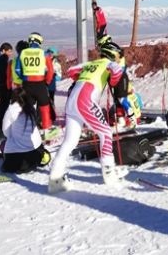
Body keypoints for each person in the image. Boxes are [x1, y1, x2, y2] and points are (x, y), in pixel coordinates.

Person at [48, 41, 126, 193]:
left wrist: (85, 75)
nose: (119, 59)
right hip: (85, 100)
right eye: (119, 56)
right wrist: (112, 76)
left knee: (70, 141)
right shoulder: (109, 64)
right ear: (112, 54)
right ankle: (109, 173)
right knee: (106, 133)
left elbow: (71, 71)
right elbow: (117, 73)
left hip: (72, 100)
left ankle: (55, 178)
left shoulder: (91, 64)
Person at [14, 32, 58, 140]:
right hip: (40, 84)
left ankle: (28, 131)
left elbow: (17, 70)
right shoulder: (44, 54)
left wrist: (25, 78)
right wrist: (47, 82)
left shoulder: (22, 53)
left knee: (28, 108)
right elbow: (51, 71)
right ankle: (46, 131)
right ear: (39, 41)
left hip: (27, 84)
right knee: (44, 107)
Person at [1, 88, 52, 173]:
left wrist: (12, 136)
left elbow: (5, 131)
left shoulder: (11, 110)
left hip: (18, 161)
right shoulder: (31, 108)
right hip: (34, 156)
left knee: (3, 145)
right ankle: (43, 156)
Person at [45, 46, 62, 123]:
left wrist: (54, 74)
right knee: (44, 101)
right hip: (43, 84)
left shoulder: (57, 64)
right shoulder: (44, 61)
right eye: (48, 52)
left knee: (51, 100)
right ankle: (45, 117)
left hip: (51, 85)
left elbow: (59, 76)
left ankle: (52, 117)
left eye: (51, 52)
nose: (50, 54)